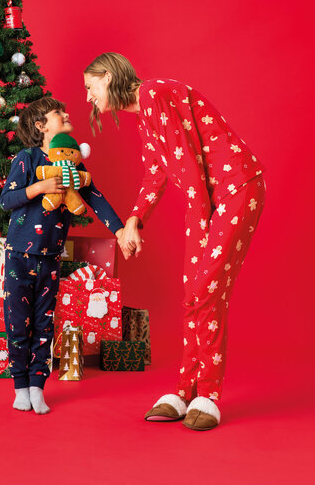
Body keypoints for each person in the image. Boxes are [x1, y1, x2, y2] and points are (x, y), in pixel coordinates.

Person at [84, 52, 266, 430]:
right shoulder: (145, 116)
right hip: (208, 200)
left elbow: (190, 170)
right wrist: (133, 222)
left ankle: (208, 394)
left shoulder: (153, 94)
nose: (88, 97)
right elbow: (156, 174)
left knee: (205, 291)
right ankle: (184, 391)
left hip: (235, 189)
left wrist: (200, 223)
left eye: (90, 86)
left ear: (108, 76)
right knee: (192, 296)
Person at [0, 97, 125, 414]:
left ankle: (37, 387)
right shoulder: (28, 158)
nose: (67, 114)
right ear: (41, 126)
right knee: (18, 324)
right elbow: (6, 200)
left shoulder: (74, 163)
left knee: (45, 324)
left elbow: (95, 197)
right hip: (18, 256)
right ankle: (20, 386)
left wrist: (120, 230)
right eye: (58, 113)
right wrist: (39, 187)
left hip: (51, 257)